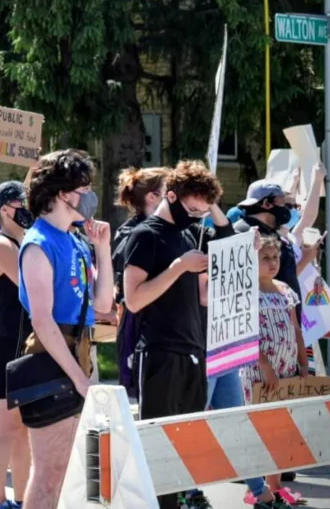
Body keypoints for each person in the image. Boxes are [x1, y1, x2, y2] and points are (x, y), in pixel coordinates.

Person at [122, 161, 232, 509]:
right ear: (171, 196)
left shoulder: (189, 235)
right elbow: (134, 300)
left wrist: (233, 251)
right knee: (158, 447)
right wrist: (178, 267)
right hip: (160, 353)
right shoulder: (146, 235)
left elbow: (204, 293)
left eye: (203, 212)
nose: (198, 217)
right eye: (193, 210)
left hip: (193, 350)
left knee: (186, 447)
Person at [17, 150, 114, 509]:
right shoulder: (38, 243)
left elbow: (103, 304)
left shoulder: (75, 240)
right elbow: (42, 321)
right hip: (53, 358)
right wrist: (78, 378)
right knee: (50, 473)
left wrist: (103, 249)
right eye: (83, 188)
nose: (89, 195)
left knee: (74, 471)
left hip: (81, 353)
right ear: (62, 194)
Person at [240, 236, 306, 508]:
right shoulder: (247, 292)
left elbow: (296, 329)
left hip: (287, 368)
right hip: (259, 372)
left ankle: (276, 486)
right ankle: (258, 488)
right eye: (264, 258)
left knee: (281, 428)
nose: (272, 263)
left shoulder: (285, 290)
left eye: (275, 257)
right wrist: (266, 366)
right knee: (261, 428)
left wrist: (303, 363)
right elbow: (246, 334)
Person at [0, 181, 34, 509]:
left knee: (23, 427)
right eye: (21, 204)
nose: (27, 210)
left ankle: (21, 498)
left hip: (25, 340)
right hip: (5, 341)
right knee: (6, 426)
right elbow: (30, 284)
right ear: (4, 209)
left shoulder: (26, 241)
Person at [111, 167, 168, 399]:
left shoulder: (173, 230)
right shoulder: (133, 234)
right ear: (152, 197)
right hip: (143, 324)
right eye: (170, 189)